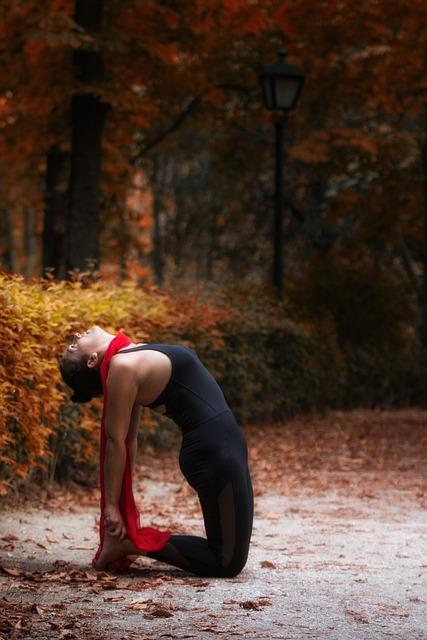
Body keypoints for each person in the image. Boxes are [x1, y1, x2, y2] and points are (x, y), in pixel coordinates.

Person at [59, 326, 254, 577]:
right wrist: (111, 506)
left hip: (224, 447)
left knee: (228, 555)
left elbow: (129, 441)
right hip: (214, 453)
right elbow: (117, 442)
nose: (75, 336)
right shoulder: (123, 367)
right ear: (92, 359)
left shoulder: (130, 354)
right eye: (74, 346)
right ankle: (128, 544)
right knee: (226, 563)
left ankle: (127, 543)